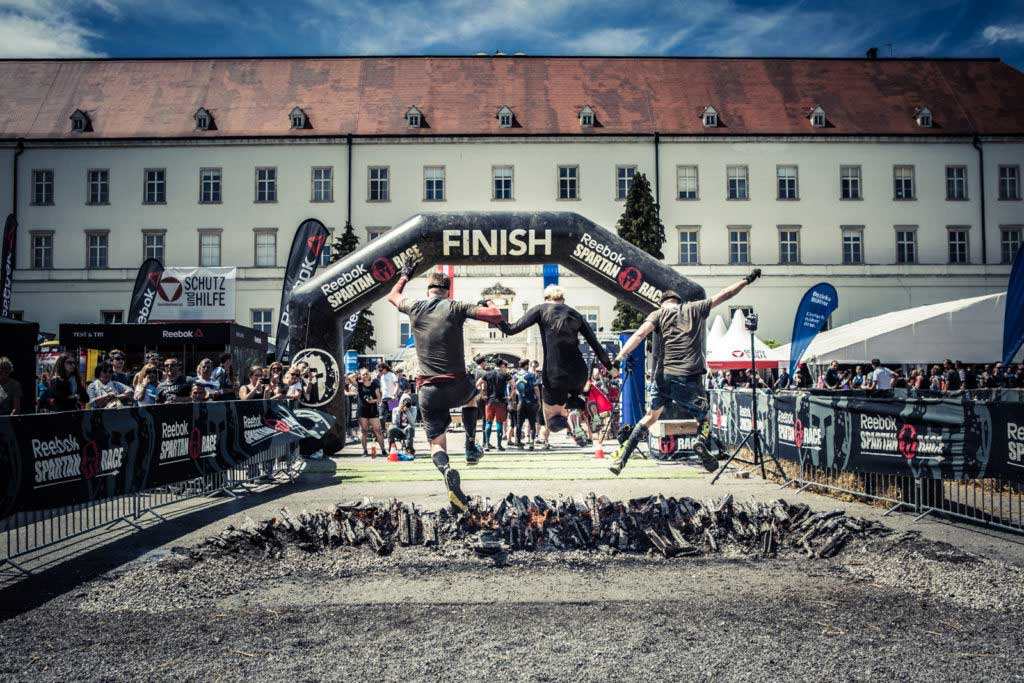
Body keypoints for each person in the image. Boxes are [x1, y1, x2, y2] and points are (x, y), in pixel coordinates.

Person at [609, 269, 762, 476]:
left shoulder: (657, 314)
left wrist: (618, 359)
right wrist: (747, 280)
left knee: (650, 417)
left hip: (662, 376)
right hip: (688, 375)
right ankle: (700, 442)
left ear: (663, 303)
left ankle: (622, 458)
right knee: (704, 417)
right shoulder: (694, 308)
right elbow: (725, 294)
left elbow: (639, 335)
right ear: (677, 301)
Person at [387, 265, 503, 511]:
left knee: (436, 445)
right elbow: (495, 315)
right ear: (447, 291)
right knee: (474, 398)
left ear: (429, 290)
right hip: (457, 383)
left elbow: (393, 296)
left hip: (427, 389)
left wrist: (405, 275)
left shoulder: (415, 306)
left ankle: (446, 469)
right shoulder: (455, 306)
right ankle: (471, 446)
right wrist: (488, 300)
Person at [498, 285, 611, 444]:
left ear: (546, 298)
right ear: (563, 299)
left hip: (555, 373)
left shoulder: (541, 310)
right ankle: (587, 408)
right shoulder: (575, 314)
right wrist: (611, 368)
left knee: (552, 420)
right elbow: (596, 345)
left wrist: (492, 313)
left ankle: (571, 423)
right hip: (579, 372)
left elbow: (511, 329)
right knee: (573, 399)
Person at [481, 359, 511, 451]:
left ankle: (486, 444)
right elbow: (513, 385)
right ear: (502, 365)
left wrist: (483, 394)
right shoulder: (505, 374)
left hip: (490, 401)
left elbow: (478, 384)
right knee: (499, 423)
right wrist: (510, 396)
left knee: (488, 422)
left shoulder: (487, 374)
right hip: (501, 401)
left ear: (494, 364)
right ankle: (499, 445)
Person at [355, 368, 387, 456]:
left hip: (373, 410)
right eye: (363, 374)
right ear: (360, 376)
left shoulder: (374, 384)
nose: (365, 376)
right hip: (362, 410)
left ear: (369, 374)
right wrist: (357, 373)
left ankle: (383, 450)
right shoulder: (359, 384)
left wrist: (372, 401)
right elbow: (349, 378)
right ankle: (365, 451)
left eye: (366, 374)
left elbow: (379, 398)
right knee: (363, 431)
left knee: (378, 431)